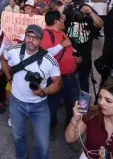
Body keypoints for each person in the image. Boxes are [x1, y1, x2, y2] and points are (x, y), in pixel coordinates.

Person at [1, 25, 62, 159]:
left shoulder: (50, 60)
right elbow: (3, 59)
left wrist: (44, 91)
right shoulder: (13, 50)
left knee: (43, 145)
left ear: (41, 40)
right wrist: (9, 77)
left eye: (35, 38)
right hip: (17, 103)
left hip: (39, 106)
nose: (30, 40)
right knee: (18, 137)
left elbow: (58, 83)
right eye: (28, 36)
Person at [42, 10, 80, 140]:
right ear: (56, 21)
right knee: (51, 106)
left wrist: (75, 58)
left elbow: (68, 49)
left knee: (72, 105)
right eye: (62, 20)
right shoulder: (45, 34)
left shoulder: (62, 33)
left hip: (71, 77)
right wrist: (61, 45)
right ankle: (50, 127)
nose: (64, 22)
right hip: (56, 79)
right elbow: (44, 55)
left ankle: (69, 128)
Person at [64, 0, 103, 93]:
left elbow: (100, 24)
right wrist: (64, 6)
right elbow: (53, 19)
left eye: (80, 5)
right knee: (67, 80)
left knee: (84, 81)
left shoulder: (89, 20)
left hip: (85, 56)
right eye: (75, 5)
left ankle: (84, 102)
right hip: (68, 55)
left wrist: (91, 12)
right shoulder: (68, 17)